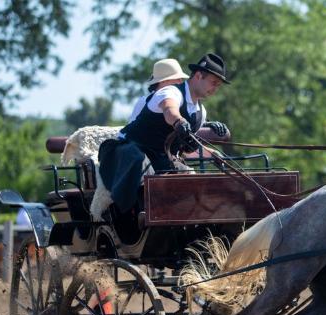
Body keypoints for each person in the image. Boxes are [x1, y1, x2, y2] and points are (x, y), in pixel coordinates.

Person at [98, 52, 232, 214]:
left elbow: (186, 150)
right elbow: (170, 110)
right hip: (126, 153)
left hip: (161, 159)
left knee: (190, 179)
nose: (215, 88)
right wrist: (179, 122)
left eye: (218, 85)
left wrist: (213, 155)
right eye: (214, 82)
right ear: (198, 76)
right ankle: (126, 213)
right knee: (137, 159)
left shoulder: (200, 113)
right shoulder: (170, 92)